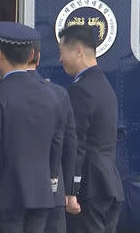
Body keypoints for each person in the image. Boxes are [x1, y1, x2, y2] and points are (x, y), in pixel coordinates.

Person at [0, 21, 63, 233]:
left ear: (0, 56)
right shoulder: (53, 95)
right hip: (41, 194)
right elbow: (56, 145)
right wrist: (51, 187)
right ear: (33, 55)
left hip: (7, 195)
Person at [58, 25, 124, 233]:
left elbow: (76, 144)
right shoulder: (104, 86)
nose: (60, 59)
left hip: (89, 190)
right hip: (108, 184)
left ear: (78, 51)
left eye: (62, 52)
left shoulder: (81, 90)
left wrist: (70, 191)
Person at [27, 42, 80, 233]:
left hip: (15, 196)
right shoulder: (59, 93)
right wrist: (68, 190)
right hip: (53, 191)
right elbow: (69, 143)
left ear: (3, 57)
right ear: (37, 57)